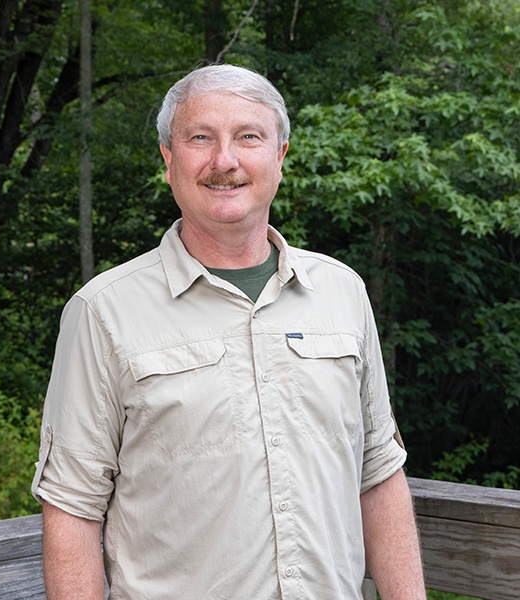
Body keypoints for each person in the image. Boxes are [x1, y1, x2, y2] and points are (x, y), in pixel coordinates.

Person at [32, 63, 425, 600]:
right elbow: (72, 508)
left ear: (280, 155)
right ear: (169, 159)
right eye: (200, 138)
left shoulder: (342, 293)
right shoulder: (103, 312)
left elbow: (378, 474)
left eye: (248, 136)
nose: (225, 160)